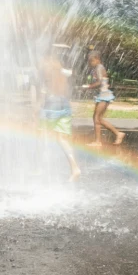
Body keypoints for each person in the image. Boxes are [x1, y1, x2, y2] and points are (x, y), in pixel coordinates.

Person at [39, 50, 82, 182]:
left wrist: (39, 106)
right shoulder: (63, 72)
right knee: (61, 138)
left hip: (52, 104)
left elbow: (45, 91)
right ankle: (75, 168)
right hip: (65, 104)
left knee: (42, 134)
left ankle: (42, 168)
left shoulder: (48, 69)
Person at [82, 51, 125, 147]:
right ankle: (103, 139)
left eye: (92, 61)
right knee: (97, 118)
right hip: (102, 95)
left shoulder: (99, 68)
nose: (90, 63)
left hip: (104, 95)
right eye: (89, 62)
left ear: (97, 59)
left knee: (97, 118)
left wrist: (88, 87)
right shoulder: (97, 68)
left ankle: (114, 135)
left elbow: (100, 82)